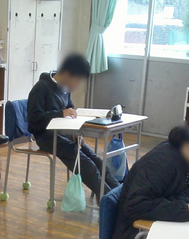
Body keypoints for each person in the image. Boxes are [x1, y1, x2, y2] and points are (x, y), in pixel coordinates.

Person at [27, 53, 120, 197]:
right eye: (77, 80)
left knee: (96, 160)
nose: (77, 86)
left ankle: (120, 193)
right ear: (66, 73)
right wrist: (60, 113)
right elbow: (33, 120)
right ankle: (109, 198)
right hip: (47, 137)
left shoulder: (64, 89)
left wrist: (77, 133)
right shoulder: (41, 88)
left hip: (66, 135)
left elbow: (71, 113)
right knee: (86, 164)